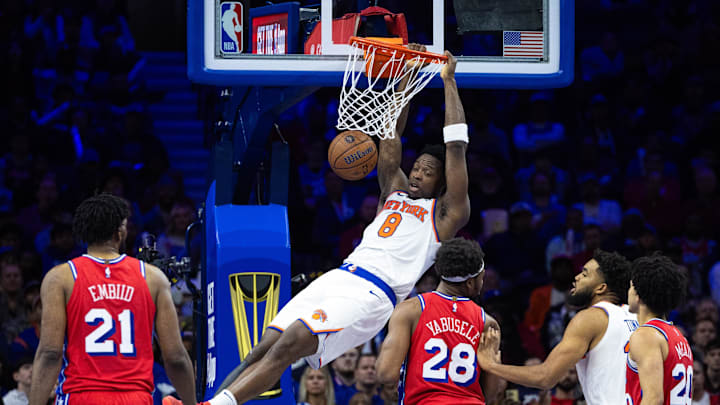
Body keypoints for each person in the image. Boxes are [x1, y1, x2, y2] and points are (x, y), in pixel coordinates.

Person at [168, 47, 471, 405]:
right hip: (342, 275)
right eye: (417, 166)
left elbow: (455, 149)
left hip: (372, 295)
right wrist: (403, 82)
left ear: (441, 183)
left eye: (427, 171)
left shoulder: (446, 214)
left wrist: (448, 82)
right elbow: (391, 137)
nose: (418, 172)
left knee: (293, 342)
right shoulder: (395, 191)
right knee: (263, 347)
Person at [29, 194, 196, 405]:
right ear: (120, 232)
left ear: (83, 233)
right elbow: (175, 357)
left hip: (81, 396)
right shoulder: (153, 278)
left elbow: (50, 353)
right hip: (135, 398)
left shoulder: (60, 277)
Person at [477, 249, 637, 404]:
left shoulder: (591, 317)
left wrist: (491, 365)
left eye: (585, 274)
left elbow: (545, 377)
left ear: (601, 288)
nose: (576, 277)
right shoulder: (635, 318)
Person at [375, 238, 501, 403]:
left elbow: (386, 374)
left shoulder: (410, 310)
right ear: (471, 283)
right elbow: (490, 396)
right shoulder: (487, 323)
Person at [625, 254, 692, 405]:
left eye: (630, 286)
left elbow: (654, 399)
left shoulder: (645, 336)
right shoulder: (680, 337)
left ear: (638, 295)